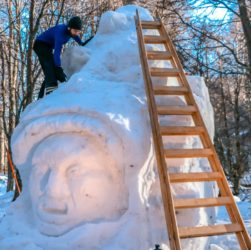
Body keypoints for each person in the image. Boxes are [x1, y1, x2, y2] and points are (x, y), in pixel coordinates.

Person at [33, 16, 93, 99]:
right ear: (69, 28)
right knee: (50, 65)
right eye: (75, 31)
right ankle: (51, 88)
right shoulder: (60, 32)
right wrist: (58, 68)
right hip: (40, 45)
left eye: (78, 31)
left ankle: (40, 97)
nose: (76, 33)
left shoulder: (71, 32)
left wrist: (82, 43)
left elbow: (75, 37)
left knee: (51, 68)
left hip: (47, 47)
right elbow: (57, 52)